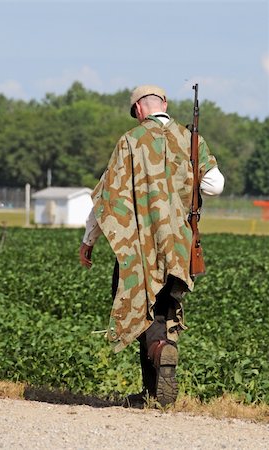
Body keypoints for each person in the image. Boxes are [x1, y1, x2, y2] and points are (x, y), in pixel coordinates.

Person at [79, 85, 224, 408]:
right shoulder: (192, 141)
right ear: (165, 105)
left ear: (139, 110)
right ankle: (156, 386)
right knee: (166, 309)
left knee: (142, 309)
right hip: (179, 246)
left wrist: (89, 240)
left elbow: (107, 196)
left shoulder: (130, 141)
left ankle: (158, 358)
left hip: (138, 247)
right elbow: (215, 185)